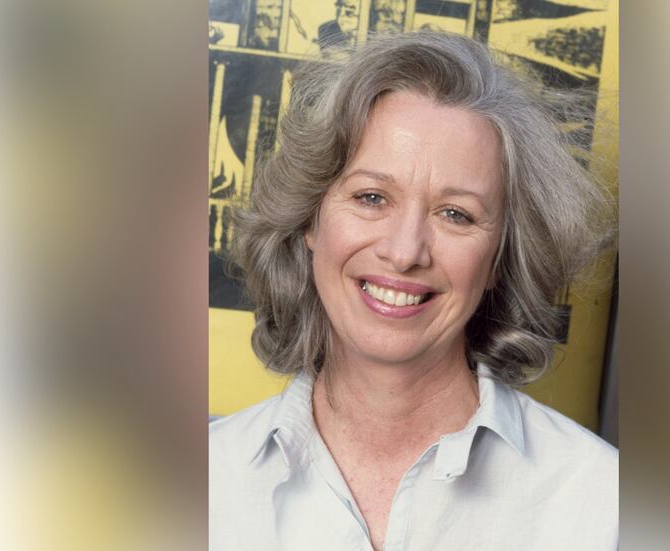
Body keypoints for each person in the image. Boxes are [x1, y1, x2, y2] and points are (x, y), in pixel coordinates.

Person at [210, 31, 617, 550]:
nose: (405, 252)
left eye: (456, 214)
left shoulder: (604, 505)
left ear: (499, 257)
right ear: (310, 221)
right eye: (372, 197)